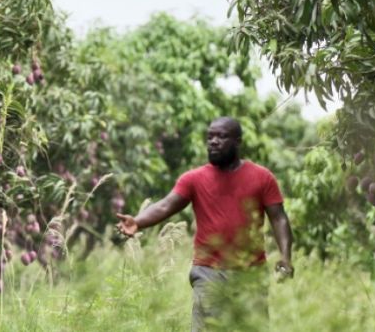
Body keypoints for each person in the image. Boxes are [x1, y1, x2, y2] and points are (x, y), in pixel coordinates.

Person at [115, 117, 294, 331]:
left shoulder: (262, 177)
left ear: (238, 141)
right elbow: (165, 205)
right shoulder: (194, 179)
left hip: (250, 274)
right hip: (209, 272)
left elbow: (279, 218)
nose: (214, 141)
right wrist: (138, 222)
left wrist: (285, 257)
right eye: (210, 137)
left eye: (221, 136)